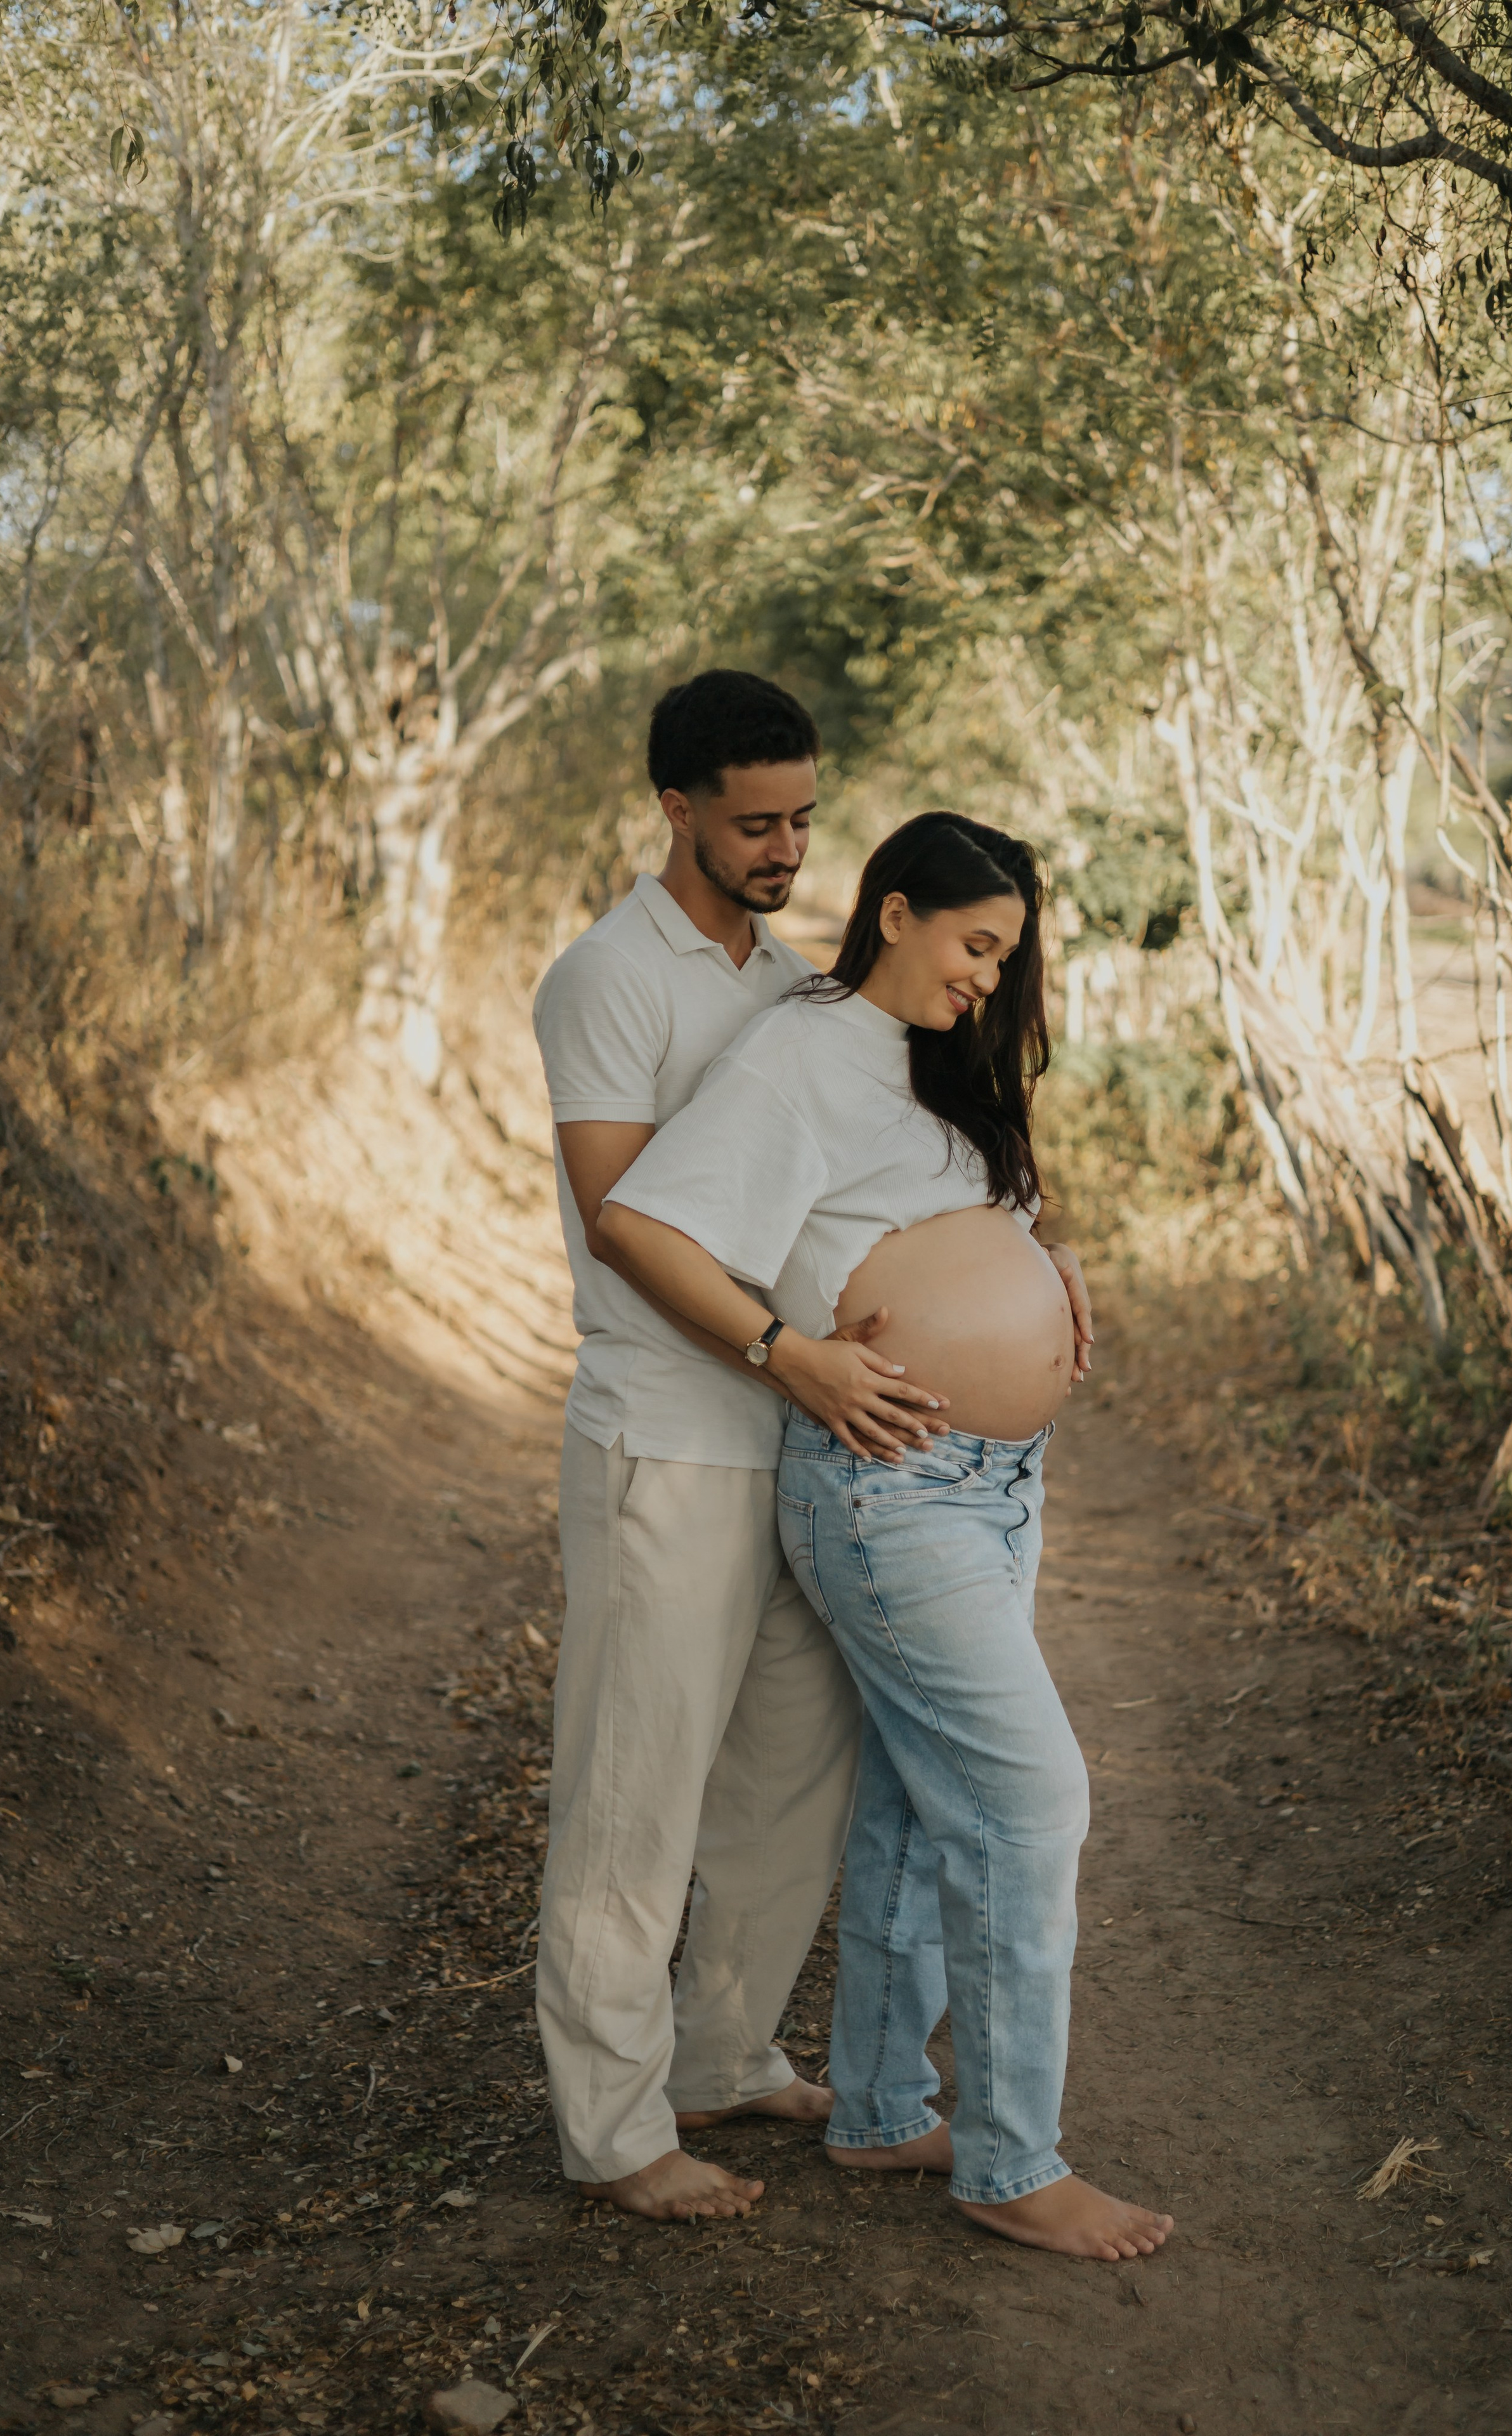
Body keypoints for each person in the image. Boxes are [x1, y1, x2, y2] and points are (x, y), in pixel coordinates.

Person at [597, 811, 1174, 2262]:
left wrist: (1049, 1262)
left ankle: (873, 2107)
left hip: (996, 1481)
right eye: (974, 946)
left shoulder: (943, 1062)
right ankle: (1009, 2160)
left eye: (1005, 960)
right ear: (898, 910)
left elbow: (965, 1214)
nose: (987, 979)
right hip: (883, 1488)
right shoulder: (801, 1051)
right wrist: (790, 1352)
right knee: (1030, 1803)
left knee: (923, 1805)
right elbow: (643, 1224)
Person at [531, 671, 948, 2227]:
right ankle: (614, 2126)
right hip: (668, 1437)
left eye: (800, 819)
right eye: (754, 821)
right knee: (633, 1794)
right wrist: (791, 1356)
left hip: (799, 1438)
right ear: (677, 808)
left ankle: (717, 2050)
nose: (783, 849)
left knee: (791, 1774)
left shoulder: (788, 987)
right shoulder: (605, 979)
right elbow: (626, 1230)